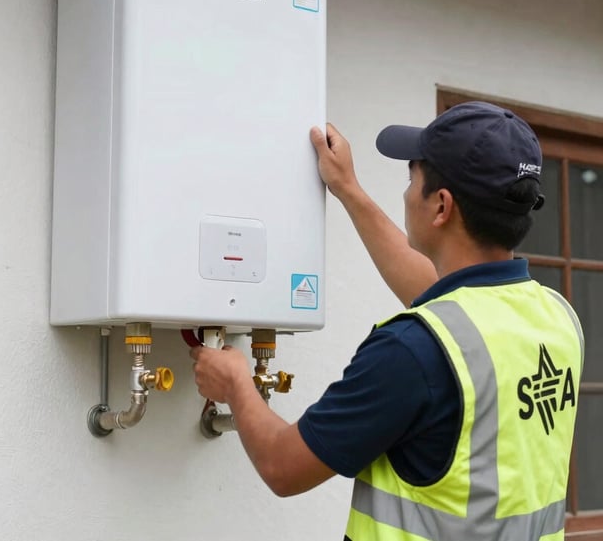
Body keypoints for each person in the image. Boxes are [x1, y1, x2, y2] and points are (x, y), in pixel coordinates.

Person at [190, 101, 584, 541]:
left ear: (440, 207)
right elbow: (445, 298)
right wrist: (348, 189)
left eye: (411, 179)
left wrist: (237, 384)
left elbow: (284, 468)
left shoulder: (411, 350)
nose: (405, 192)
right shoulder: (556, 317)